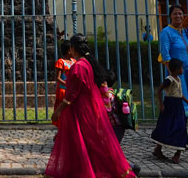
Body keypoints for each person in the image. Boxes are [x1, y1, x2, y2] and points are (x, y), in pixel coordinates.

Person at [45, 34, 136, 178]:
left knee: (84, 143)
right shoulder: (88, 63)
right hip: (88, 108)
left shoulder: (79, 66)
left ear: (73, 48)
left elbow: (72, 94)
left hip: (80, 111)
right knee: (89, 143)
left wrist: (58, 111)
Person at [158, 5, 188, 121]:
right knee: (178, 103)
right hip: (177, 75)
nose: (178, 16)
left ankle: (181, 135)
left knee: (187, 104)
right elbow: (165, 54)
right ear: (170, 16)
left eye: (180, 13)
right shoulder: (166, 32)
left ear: (184, 16)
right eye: (175, 13)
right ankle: (175, 135)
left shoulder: (184, 32)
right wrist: (173, 76)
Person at [151, 58, 188, 164]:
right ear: (176, 69)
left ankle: (177, 154)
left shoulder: (178, 79)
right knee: (165, 126)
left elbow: (179, 93)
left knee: (181, 127)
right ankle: (158, 149)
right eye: (181, 68)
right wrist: (161, 104)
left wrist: (187, 102)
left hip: (178, 106)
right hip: (170, 105)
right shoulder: (169, 79)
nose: (182, 70)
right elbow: (159, 90)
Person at [52, 41, 74, 127]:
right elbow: (57, 78)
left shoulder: (74, 61)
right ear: (69, 51)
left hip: (71, 89)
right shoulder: (60, 62)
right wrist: (67, 84)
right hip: (63, 90)